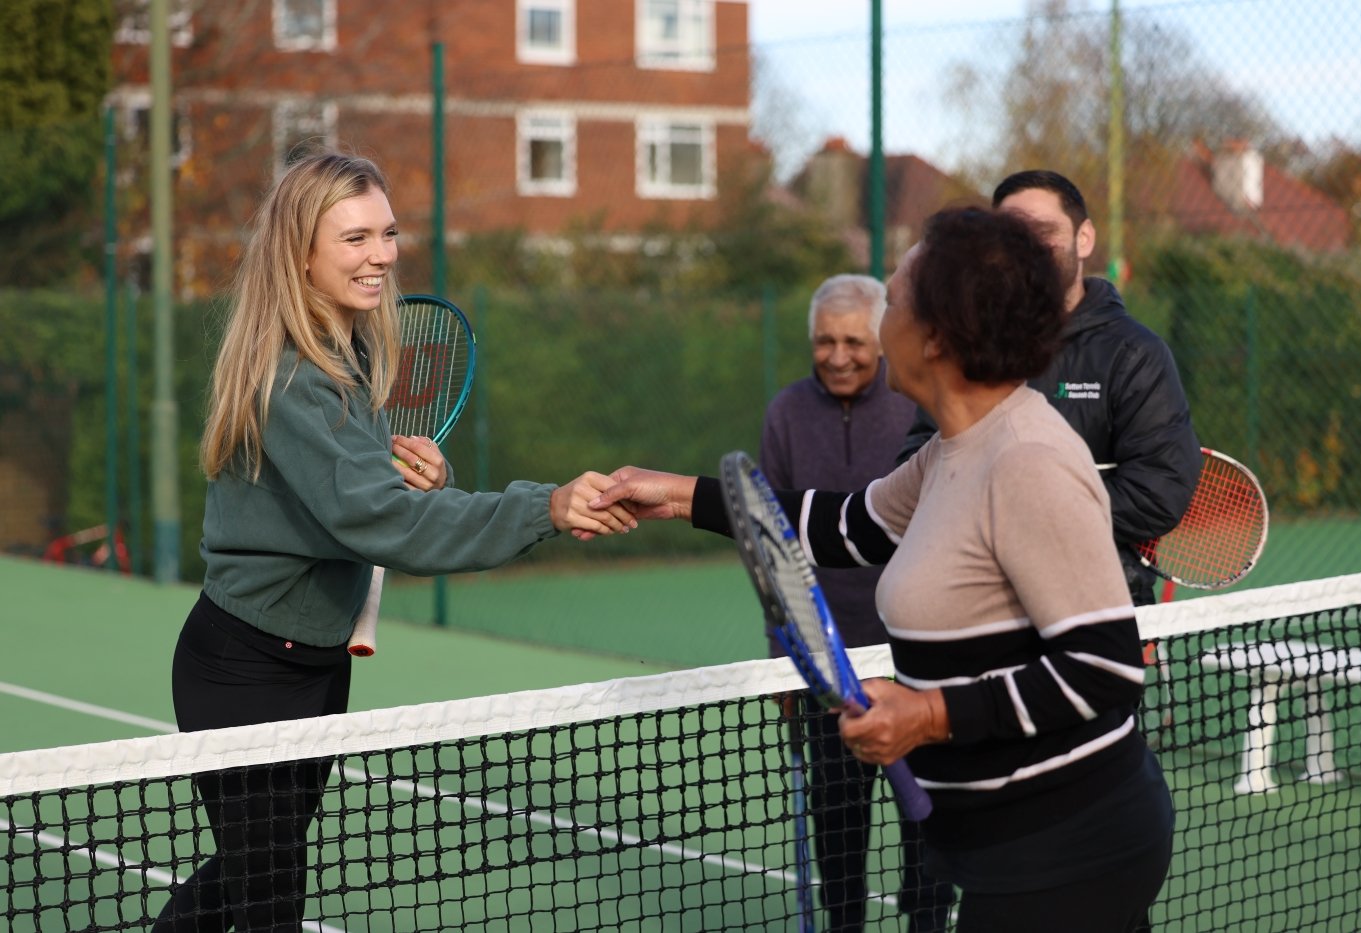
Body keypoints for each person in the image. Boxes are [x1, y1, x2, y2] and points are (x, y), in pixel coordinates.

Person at [593, 206, 1175, 933]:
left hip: (1067, 853)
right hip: (1012, 851)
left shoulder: (1025, 459)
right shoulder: (953, 448)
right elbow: (847, 526)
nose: (876, 324)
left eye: (893, 302)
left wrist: (926, 713)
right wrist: (680, 495)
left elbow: (1105, 668)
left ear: (934, 336)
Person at [151, 151, 634, 932]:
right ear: (299, 254)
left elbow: (349, 488)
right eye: (354, 238)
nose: (381, 254)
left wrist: (395, 463)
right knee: (270, 896)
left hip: (315, 664)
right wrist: (543, 505)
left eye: (388, 232)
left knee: (243, 878)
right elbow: (385, 524)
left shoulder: (355, 352)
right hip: (243, 672)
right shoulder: (294, 378)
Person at [897, 170, 1202, 610]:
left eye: (1044, 231)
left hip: (1099, 604)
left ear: (1085, 239)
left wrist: (1027, 517)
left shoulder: (1135, 354)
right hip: (977, 609)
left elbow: (1159, 493)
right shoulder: (963, 349)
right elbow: (915, 465)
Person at [762, 274, 951, 932]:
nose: (837, 355)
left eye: (853, 341)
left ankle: (928, 922)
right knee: (838, 817)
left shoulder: (916, 407)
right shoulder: (785, 412)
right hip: (827, 659)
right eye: (824, 340)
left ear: (880, 341)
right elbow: (769, 540)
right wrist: (780, 655)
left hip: (915, 655)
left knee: (928, 820)